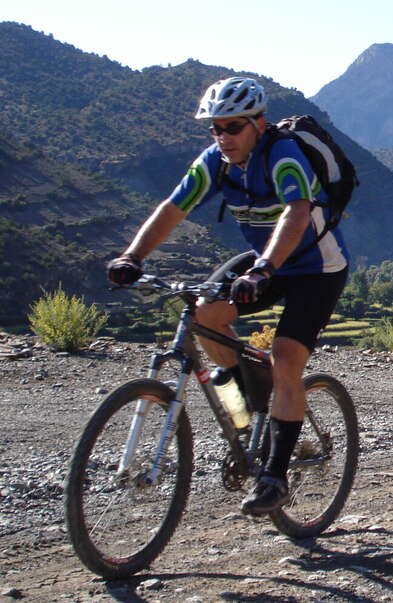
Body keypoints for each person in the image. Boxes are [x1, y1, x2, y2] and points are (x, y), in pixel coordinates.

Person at [105, 77, 350, 515]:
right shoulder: (215, 163)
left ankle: (274, 477)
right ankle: (249, 399)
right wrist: (132, 256)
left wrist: (264, 268)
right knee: (206, 315)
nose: (223, 137)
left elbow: (296, 214)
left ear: (258, 123)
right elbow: (172, 209)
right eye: (215, 128)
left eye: (232, 127)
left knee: (287, 359)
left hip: (315, 269)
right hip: (264, 263)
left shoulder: (284, 156)